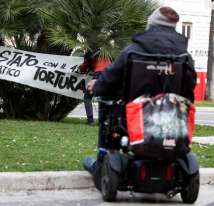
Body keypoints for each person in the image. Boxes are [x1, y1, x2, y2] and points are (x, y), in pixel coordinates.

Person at [83, 6, 197, 189]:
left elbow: (110, 79)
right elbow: (189, 90)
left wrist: (96, 85)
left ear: (150, 24)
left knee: (107, 107)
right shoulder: (184, 56)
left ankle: (101, 163)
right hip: (172, 118)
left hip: (133, 117)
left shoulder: (133, 50)